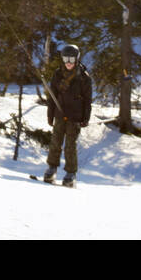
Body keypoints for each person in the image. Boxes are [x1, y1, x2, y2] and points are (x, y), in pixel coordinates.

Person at [43, 43, 92, 186]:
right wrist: (50, 115)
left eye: (71, 59)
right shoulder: (57, 75)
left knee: (70, 145)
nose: (68, 63)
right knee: (55, 142)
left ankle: (71, 173)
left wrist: (85, 118)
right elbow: (52, 97)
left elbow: (88, 100)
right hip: (59, 114)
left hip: (75, 117)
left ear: (77, 59)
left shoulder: (84, 78)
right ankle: (51, 168)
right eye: (66, 59)